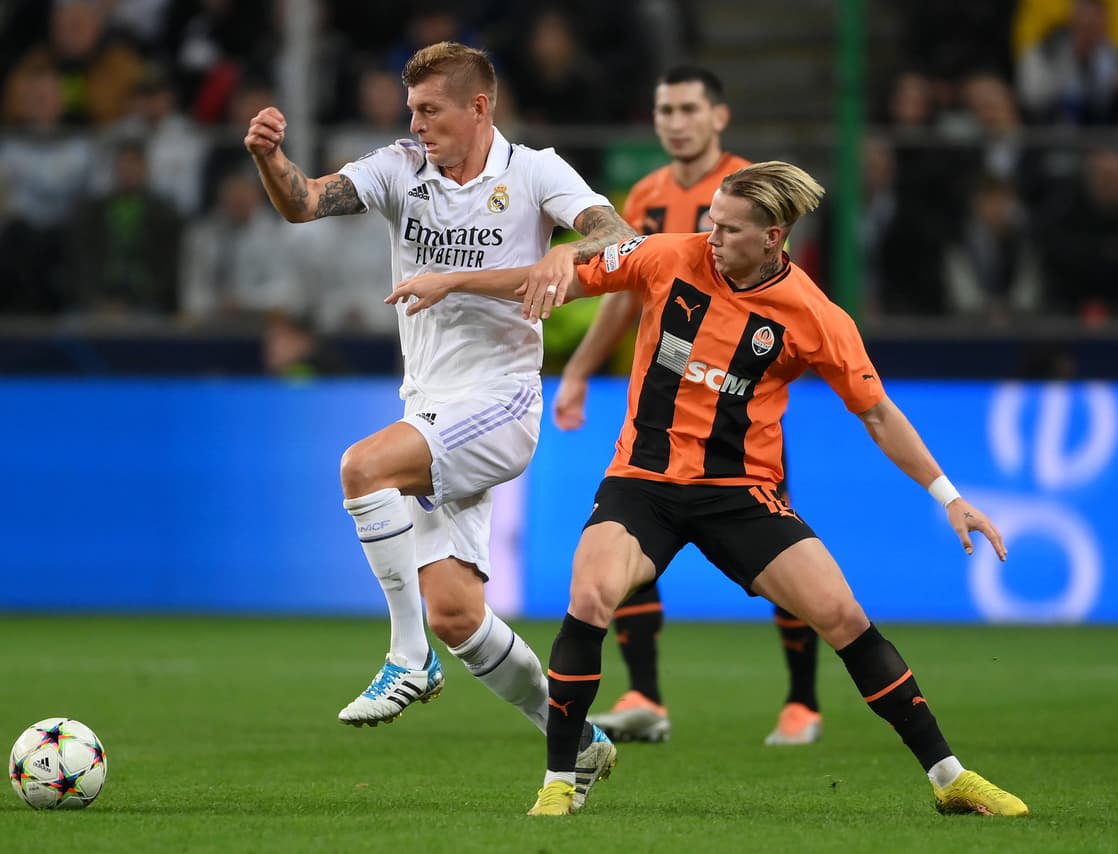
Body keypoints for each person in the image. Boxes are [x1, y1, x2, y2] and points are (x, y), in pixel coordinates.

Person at [387, 161, 1030, 819]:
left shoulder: (814, 315)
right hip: (644, 484)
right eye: (709, 221)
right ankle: (560, 777)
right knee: (590, 595)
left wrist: (949, 495)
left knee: (844, 618)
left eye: (727, 227)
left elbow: (878, 414)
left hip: (740, 495)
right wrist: (455, 281)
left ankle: (950, 777)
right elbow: (553, 277)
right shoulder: (667, 257)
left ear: (773, 236)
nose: (710, 235)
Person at [243, 41, 635, 810]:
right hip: (428, 406)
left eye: (430, 110)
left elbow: (615, 237)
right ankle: (578, 742)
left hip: (502, 402)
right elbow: (301, 202)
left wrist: (563, 255)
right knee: (459, 614)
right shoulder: (399, 169)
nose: (415, 123)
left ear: (479, 107)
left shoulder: (535, 173)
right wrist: (269, 157)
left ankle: (405, 655)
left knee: (362, 469)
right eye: (411, 108)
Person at [556, 66, 821, 747]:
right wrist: (581, 369)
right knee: (628, 532)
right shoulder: (642, 195)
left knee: (781, 546)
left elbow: (785, 292)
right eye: (663, 109)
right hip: (663, 398)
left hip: (737, 411)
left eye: (687, 108)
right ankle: (644, 693)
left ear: (718, 117)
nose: (674, 121)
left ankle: (803, 702)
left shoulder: (750, 189)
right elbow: (624, 290)